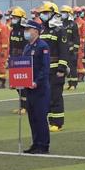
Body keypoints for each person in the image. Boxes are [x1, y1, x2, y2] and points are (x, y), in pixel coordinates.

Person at [39, 1, 68, 132]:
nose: (43, 15)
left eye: (45, 13)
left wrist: (61, 69)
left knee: (55, 96)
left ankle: (57, 122)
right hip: (44, 69)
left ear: (53, 14)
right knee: (46, 96)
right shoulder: (42, 29)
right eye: (42, 13)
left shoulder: (60, 30)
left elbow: (64, 51)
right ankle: (50, 121)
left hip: (56, 69)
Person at [22, 20, 51, 154]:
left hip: (40, 88)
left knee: (40, 117)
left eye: (29, 29)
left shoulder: (42, 46)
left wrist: (36, 82)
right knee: (32, 117)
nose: (26, 31)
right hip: (28, 87)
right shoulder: (27, 47)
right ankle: (35, 142)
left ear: (36, 31)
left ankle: (43, 145)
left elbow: (45, 68)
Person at [9, 7, 28, 114]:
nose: (14, 19)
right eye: (13, 17)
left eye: (16, 17)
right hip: (14, 60)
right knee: (17, 85)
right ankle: (22, 106)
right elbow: (11, 46)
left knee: (24, 85)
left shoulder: (25, 31)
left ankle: (26, 106)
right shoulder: (12, 32)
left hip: (23, 61)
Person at [60, 5, 80, 91]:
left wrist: (74, 49)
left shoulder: (73, 24)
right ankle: (69, 83)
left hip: (71, 50)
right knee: (65, 67)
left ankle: (74, 84)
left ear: (69, 14)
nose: (62, 14)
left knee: (72, 67)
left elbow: (76, 38)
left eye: (64, 12)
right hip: (64, 49)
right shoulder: (61, 24)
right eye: (62, 12)